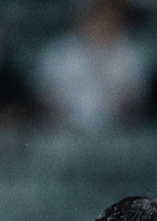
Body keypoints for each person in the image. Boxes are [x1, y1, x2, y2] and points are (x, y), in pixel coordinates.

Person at [36, 0, 148, 132]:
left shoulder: (132, 54)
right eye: (96, 17)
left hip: (114, 130)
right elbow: (44, 99)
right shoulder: (57, 53)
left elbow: (133, 102)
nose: (103, 24)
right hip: (66, 130)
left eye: (109, 17)